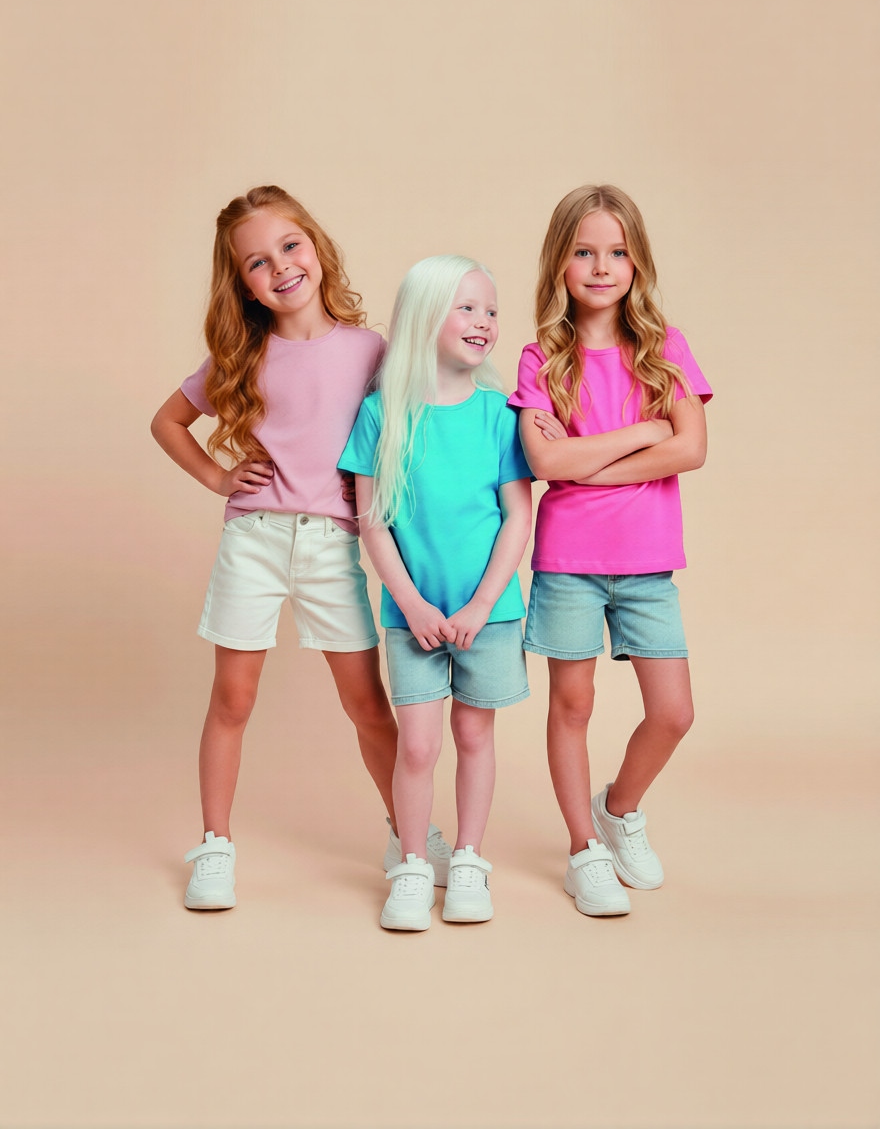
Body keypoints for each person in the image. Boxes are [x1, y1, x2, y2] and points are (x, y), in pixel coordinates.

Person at [151, 185, 451, 910]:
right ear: (243, 284)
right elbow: (168, 422)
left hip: (332, 546)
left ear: (315, 246)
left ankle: (409, 835)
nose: (281, 267)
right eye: (257, 262)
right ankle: (214, 846)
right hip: (253, 541)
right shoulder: (242, 354)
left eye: (290, 246)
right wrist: (218, 476)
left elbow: (416, 424)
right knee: (232, 697)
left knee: (367, 704)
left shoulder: (370, 350)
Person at [508, 184, 712, 918]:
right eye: (585, 252)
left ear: (637, 262)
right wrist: (644, 434)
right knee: (573, 705)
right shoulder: (541, 358)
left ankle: (618, 809)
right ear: (559, 263)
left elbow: (691, 450)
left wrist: (587, 464)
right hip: (568, 562)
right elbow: (544, 463)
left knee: (674, 713)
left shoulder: (665, 349)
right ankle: (582, 850)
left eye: (618, 252)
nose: (601, 267)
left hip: (647, 563)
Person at [340, 256, 533, 931]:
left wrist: (481, 605)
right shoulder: (380, 415)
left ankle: (470, 861)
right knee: (418, 748)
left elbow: (518, 516)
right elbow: (372, 522)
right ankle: (414, 864)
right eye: (467, 307)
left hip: (490, 615)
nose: (484, 322)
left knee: (475, 735)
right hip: (412, 616)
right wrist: (413, 605)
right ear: (426, 317)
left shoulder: (500, 415)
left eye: (491, 310)